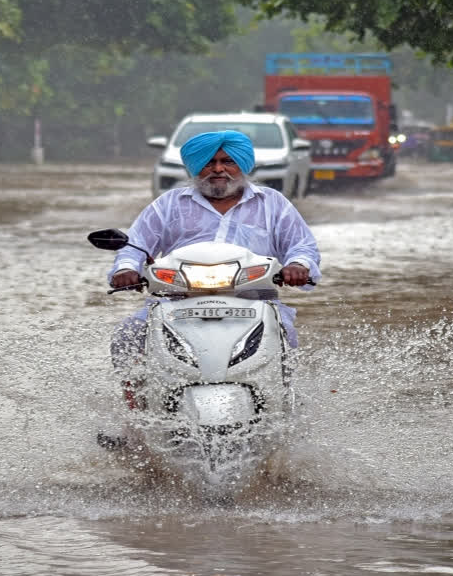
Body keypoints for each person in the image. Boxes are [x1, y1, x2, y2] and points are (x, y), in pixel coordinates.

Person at [106, 130, 321, 406]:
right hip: (176, 299)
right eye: (209, 162)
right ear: (196, 167)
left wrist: (297, 265)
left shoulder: (273, 204)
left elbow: (302, 246)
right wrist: (126, 269)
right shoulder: (169, 204)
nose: (218, 169)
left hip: (253, 301)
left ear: (242, 164)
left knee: (286, 336)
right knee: (128, 335)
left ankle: (284, 408)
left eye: (228, 161)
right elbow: (134, 244)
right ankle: (134, 417)